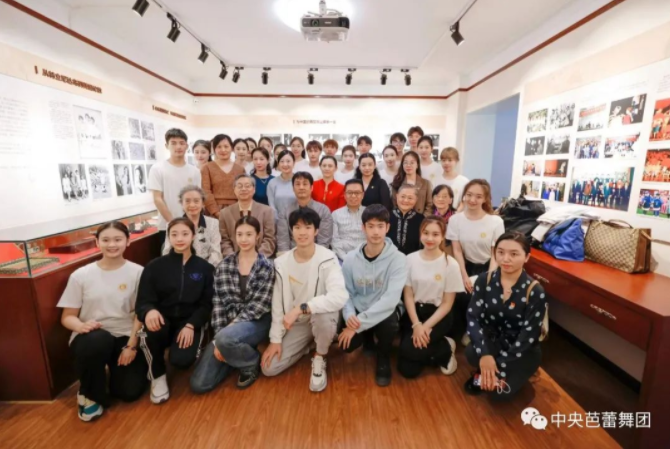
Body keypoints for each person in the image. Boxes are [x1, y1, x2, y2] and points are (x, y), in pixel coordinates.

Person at [57, 221, 147, 421]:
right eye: (105, 240)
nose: (112, 244)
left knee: (129, 392)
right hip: (91, 337)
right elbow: (67, 317)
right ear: (97, 242)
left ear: (128, 241)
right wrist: (81, 326)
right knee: (98, 340)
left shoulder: (138, 272)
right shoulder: (81, 275)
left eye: (117, 239)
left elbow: (140, 315)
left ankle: (107, 377)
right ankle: (88, 394)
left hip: (124, 335)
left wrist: (131, 346)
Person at [261, 208, 348, 392]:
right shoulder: (281, 262)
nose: (302, 232)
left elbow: (339, 296)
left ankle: (320, 355)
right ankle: (312, 343)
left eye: (308, 227)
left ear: (316, 231)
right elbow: (277, 304)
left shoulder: (328, 258)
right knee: (269, 368)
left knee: (322, 318)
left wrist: (302, 308)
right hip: (299, 324)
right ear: (291, 230)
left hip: (322, 317)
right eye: (297, 227)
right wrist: (275, 339)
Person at [190, 216, 275, 393]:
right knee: (199, 384)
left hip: (258, 321)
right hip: (227, 326)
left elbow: (259, 306)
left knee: (225, 339)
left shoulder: (266, 266)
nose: (244, 239)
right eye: (240, 234)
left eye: (249, 234)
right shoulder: (224, 265)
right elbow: (218, 304)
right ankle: (235, 356)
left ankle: (250, 361)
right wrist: (218, 337)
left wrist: (224, 336)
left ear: (258, 236)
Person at [136, 218, 214, 404]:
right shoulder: (154, 266)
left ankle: (182, 349)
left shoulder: (205, 268)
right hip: (162, 320)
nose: (180, 239)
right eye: (174, 234)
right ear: (168, 237)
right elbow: (143, 301)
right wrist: (149, 311)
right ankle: (157, 375)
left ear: (193, 236)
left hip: (188, 321)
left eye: (185, 234)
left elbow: (207, 304)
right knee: (152, 328)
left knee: (181, 361)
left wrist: (191, 325)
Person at [464, 232, 547, 399]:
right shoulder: (484, 280)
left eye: (514, 254)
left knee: (499, 395)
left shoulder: (535, 291)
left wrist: (498, 365)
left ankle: (509, 372)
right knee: (472, 353)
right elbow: (473, 318)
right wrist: (485, 355)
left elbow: (528, 336)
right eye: (500, 252)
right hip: (494, 340)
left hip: (521, 349)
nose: (505, 259)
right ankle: (487, 371)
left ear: (526, 257)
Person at [339, 204, 407, 386]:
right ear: (363, 228)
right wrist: (349, 316)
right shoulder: (350, 258)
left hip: (386, 310)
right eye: (370, 226)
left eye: (380, 226)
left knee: (389, 322)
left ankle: (383, 357)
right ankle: (367, 339)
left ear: (387, 227)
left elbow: (390, 300)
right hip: (360, 308)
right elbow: (346, 292)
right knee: (346, 345)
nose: (376, 232)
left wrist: (357, 325)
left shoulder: (398, 259)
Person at [397, 217, 463, 379]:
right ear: (420, 234)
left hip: (438, 315)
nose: (430, 238)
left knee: (409, 349)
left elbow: (447, 304)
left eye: (435, 234)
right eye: (425, 233)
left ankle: (445, 350)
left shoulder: (450, 264)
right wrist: (416, 324)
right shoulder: (409, 259)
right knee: (407, 370)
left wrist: (425, 326)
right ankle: (438, 349)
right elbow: (408, 295)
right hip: (414, 314)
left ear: (443, 236)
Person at [447, 179, 505, 342]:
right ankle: (461, 330)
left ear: (485, 199)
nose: (472, 200)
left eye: (478, 196)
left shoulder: (496, 222)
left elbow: (495, 254)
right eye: (469, 195)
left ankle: (477, 330)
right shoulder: (455, 220)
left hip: (490, 266)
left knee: (484, 296)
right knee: (460, 295)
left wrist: (489, 277)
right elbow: (457, 250)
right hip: (465, 265)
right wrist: (464, 275)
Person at [148, 128, 201, 244]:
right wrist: (172, 223)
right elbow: (157, 199)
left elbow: (198, 199)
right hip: (167, 225)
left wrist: (195, 222)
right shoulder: (157, 169)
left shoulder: (194, 171)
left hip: (190, 225)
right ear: (167, 146)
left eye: (182, 143)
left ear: (187, 146)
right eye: (173, 143)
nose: (178, 147)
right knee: (169, 255)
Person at [162, 185, 222, 266]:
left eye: (196, 201)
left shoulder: (213, 223)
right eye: (187, 201)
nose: (192, 205)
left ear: (203, 203)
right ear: (181, 203)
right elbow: (167, 252)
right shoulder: (172, 224)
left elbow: (216, 253)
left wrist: (205, 269)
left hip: (207, 268)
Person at [219, 174, 276, 258]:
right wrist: (233, 258)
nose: (243, 189)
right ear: (234, 190)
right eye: (239, 186)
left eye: (247, 186)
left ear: (254, 189)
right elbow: (224, 241)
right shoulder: (224, 213)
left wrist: (256, 258)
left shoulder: (267, 211)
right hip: (234, 259)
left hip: (260, 259)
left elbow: (269, 239)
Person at [276, 172, 333, 254]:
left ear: (311, 188)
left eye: (305, 184)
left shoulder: (323, 210)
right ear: (293, 188)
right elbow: (283, 241)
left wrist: (316, 257)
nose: (301, 187)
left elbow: (324, 241)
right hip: (292, 254)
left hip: (316, 254)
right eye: (297, 184)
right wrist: (286, 257)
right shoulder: (285, 211)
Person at [201, 134, 246, 218]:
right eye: (219, 147)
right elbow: (205, 191)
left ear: (231, 148)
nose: (223, 150)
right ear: (214, 149)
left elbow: (243, 191)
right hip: (213, 212)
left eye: (226, 146)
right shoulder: (207, 168)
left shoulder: (240, 169)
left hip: (236, 210)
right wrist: (216, 212)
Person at [331, 179, 367, 261]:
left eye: (357, 193)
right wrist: (346, 259)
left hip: (365, 257)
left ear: (362, 195)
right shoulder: (336, 214)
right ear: (344, 195)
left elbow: (372, 239)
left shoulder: (369, 213)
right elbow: (334, 241)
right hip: (341, 258)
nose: (353, 196)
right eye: (350, 193)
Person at [391, 151, 433, 216]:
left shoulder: (426, 183)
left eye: (412, 162)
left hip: (421, 218)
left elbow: (430, 205)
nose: (408, 165)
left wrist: (423, 218)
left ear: (417, 165)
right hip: (402, 218)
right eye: (405, 162)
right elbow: (394, 204)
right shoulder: (397, 182)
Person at [388, 184, 425, 255]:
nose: (405, 200)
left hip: (413, 257)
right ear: (397, 196)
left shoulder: (421, 219)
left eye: (410, 198)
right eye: (403, 196)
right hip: (390, 257)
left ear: (416, 199)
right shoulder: (387, 216)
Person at [267, 150, 297, 218]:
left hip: (297, 220)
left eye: (288, 161)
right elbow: (272, 206)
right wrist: (279, 221)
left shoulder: (299, 182)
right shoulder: (272, 183)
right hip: (278, 221)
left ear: (294, 162)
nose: (285, 164)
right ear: (278, 163)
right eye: (282, 161)